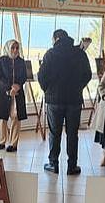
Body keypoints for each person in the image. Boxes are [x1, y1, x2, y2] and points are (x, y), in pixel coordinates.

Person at [38, 29, 92, 175]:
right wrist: (78, 87)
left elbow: (42, 76)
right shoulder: (80, 53)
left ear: (55, 39)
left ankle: (53, 163)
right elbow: (87, 74)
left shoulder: (50, 54)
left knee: (54, 133)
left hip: (54, 100)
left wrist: (48, 90)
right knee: (72, 133)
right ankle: (72, 166)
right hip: (74, 100)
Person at [0, 39, 28, 152]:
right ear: (8, 48)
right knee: (2, 118)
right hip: (4, 92)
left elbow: (24, 76)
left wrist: (17, 86)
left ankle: (13, 143)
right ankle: (1, 141)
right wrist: (10, 87)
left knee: (15, 117)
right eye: (13, 48)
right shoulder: (2, 60)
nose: (15, 50)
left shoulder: (21, 62)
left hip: (17, 93)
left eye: (17, 48)